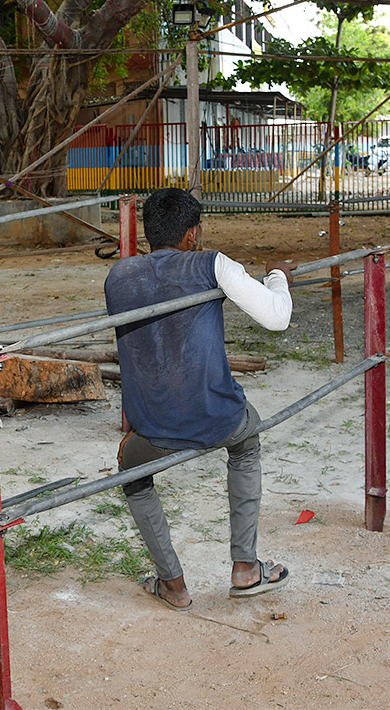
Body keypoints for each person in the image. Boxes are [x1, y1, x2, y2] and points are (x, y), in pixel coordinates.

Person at [104, 187, 295, 610]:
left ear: (148, 233)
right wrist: (278, 276)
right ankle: (245, 567)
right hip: (217, 418)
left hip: (152, 426)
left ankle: (172, 583)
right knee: (247, 441)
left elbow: (141, 344)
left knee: (132, 473)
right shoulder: (211, 263)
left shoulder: (118, 276)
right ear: (193, 234)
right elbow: (277, 318)